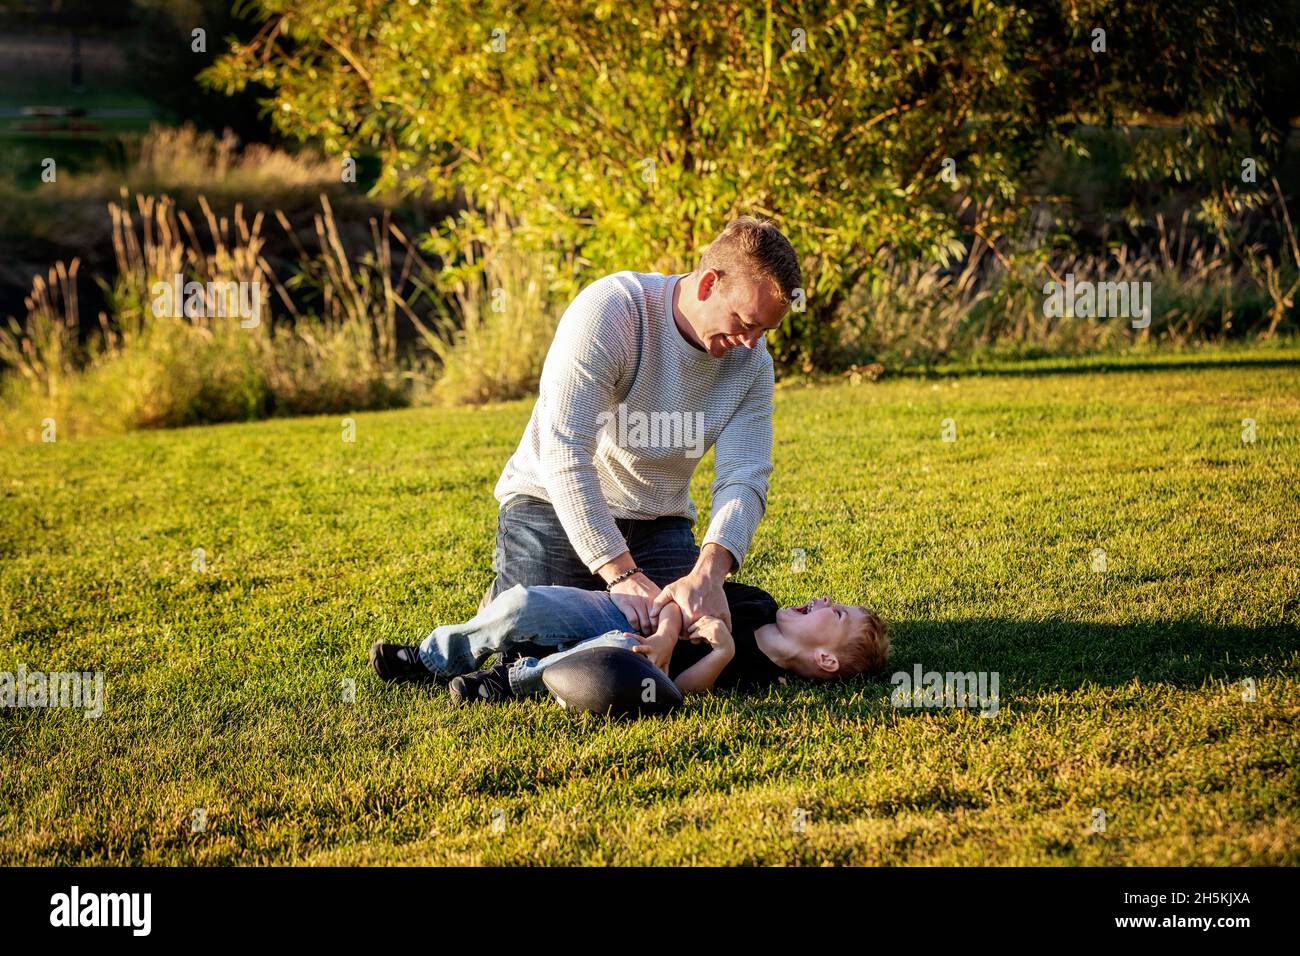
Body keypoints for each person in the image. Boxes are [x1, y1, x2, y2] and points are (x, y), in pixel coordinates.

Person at [486, 217, 802, 641]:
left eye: (765, 330)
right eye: (745, 323)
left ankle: (583, 598)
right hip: (549, 506)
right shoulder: (612, 312)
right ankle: (527, 592)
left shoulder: (753, 362)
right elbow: (565, 452)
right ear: (708, 284)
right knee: (529, 640)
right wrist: (620, 574)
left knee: (697, 638)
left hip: (657, 522)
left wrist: (709, 573)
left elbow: (744, 476)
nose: (753, 342)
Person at [368, 582, 889, 705]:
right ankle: (432, 655)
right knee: (522, 602)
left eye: (834, 612)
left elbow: (677, 690)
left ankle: (510, 678)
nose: (820, 600)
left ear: (825, 659)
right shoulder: (753, 600)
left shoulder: (761, 678)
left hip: (618, 648)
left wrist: (723, 652)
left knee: (621, 647)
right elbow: (674, 599)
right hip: (628, 610)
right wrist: (666, 633)